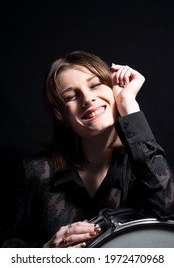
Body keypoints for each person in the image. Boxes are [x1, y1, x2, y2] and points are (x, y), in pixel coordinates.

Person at [1, 50, 174, 248]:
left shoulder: (144, 164)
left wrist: (129, 107)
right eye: (70, 97)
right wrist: (44, 253)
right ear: (62, 117)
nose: (87, 98)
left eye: (95, 84)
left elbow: (168, 213)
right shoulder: (32, 172)